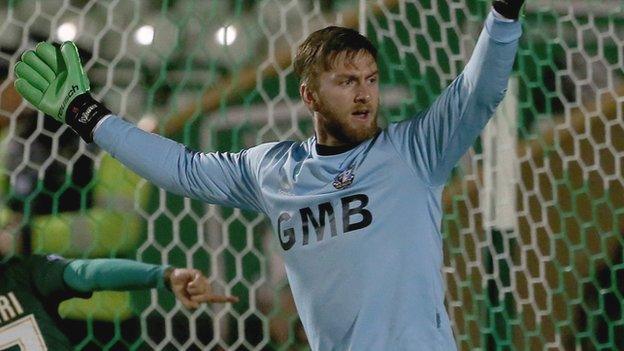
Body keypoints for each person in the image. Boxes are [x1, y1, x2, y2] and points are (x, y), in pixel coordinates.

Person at [12, 0, 524, 349]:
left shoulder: (415, 150)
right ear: (310, 96)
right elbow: (181, 170)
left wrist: (503, 14)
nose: (365, 93)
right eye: (347, 81)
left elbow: (478, 92)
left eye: (370, 79)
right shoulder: (274, 170)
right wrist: (86, 114)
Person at [0, 248, 238, 350]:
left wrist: (164, 276)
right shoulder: (19, 275)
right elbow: (86, 274)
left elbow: (86, 275)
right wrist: (163, 275)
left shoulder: (21, 274)